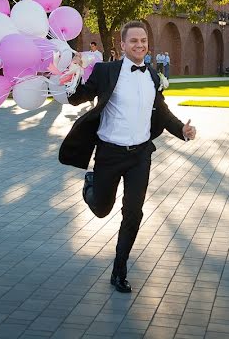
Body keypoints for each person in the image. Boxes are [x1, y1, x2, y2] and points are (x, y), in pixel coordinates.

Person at [60, 21, 197, 293]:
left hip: (140, 156)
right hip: (109, 154)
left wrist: (181, 129)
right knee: (101, 209)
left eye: (143, 40)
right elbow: (76, 98)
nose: (140, 45)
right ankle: (91, 185)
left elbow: (162, 112)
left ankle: (119, 269)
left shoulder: (154, 77)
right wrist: (73, 70)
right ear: (122, 45)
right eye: (133, 40)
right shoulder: (106, 71)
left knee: (133, 213)